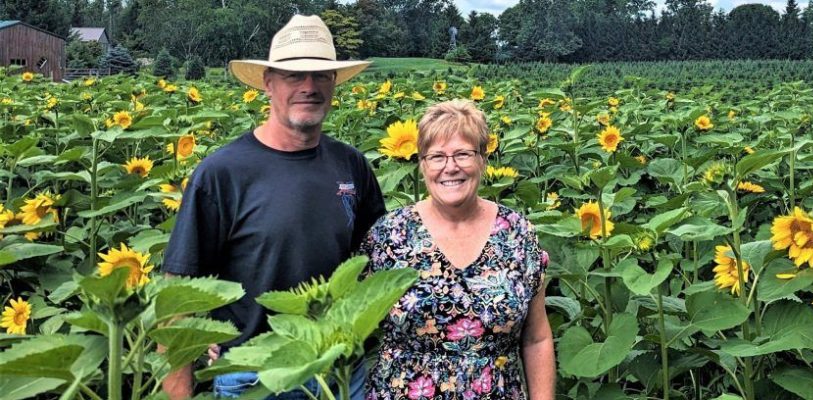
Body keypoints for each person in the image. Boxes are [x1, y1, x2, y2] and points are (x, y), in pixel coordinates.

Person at [161, 14, 385, 399]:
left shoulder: (351, 165)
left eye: (321, 76)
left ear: (334, 84)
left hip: (343, 372)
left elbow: (377, 262)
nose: (309, 87)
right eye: (294, 76)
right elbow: (177, 296)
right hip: (256, 376)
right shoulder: (221, 173)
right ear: (268, 83)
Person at [360, 100, 556, 400]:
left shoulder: (517, 232)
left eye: (463, 154)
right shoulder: (389, 235)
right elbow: (355, 328)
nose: (450, 167)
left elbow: (536, 338)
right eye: (436, 156)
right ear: (422, 163)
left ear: (483, 158)